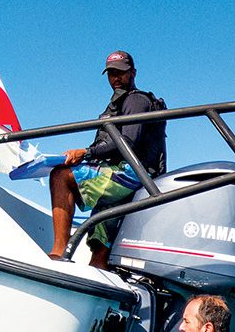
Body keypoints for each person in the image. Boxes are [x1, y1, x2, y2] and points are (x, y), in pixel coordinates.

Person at [46, 50, 166, 269]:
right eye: (111, 74)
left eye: (121, 73)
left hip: (134, 174)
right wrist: (87, 155)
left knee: (61, 176)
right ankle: (98, 269)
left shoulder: (135, 100)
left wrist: (86, 153)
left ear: (133, 72)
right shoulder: (119, 103)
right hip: (126, 172)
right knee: (101, 222)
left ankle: (58, 252)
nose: (116, 78)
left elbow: (127, 143)